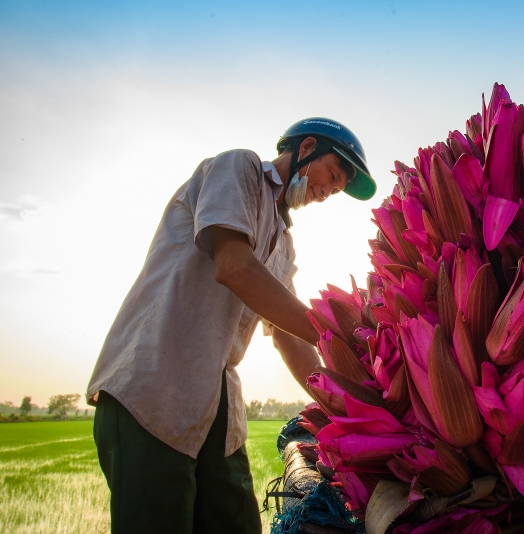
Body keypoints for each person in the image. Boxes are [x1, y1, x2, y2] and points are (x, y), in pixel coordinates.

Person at [86, 118, 376, 533]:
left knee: (236, 522)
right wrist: (340, 335)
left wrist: (345, 404)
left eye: (337, 189)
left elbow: (289, 340)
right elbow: (234, 266)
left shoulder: (284, 242)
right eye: (333, 175)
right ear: (306, 147)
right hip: (154, 382)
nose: (330, 191)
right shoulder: (239, 170)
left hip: (216, 400)